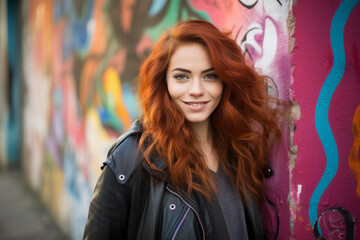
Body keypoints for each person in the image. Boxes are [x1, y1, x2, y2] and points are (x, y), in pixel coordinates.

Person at [83, 19, 283, 240]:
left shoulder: (238, 149)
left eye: (210, 75)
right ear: (164, 82)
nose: (196, 90)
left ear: (225, 81)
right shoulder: (131, 159)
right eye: (181, 76)